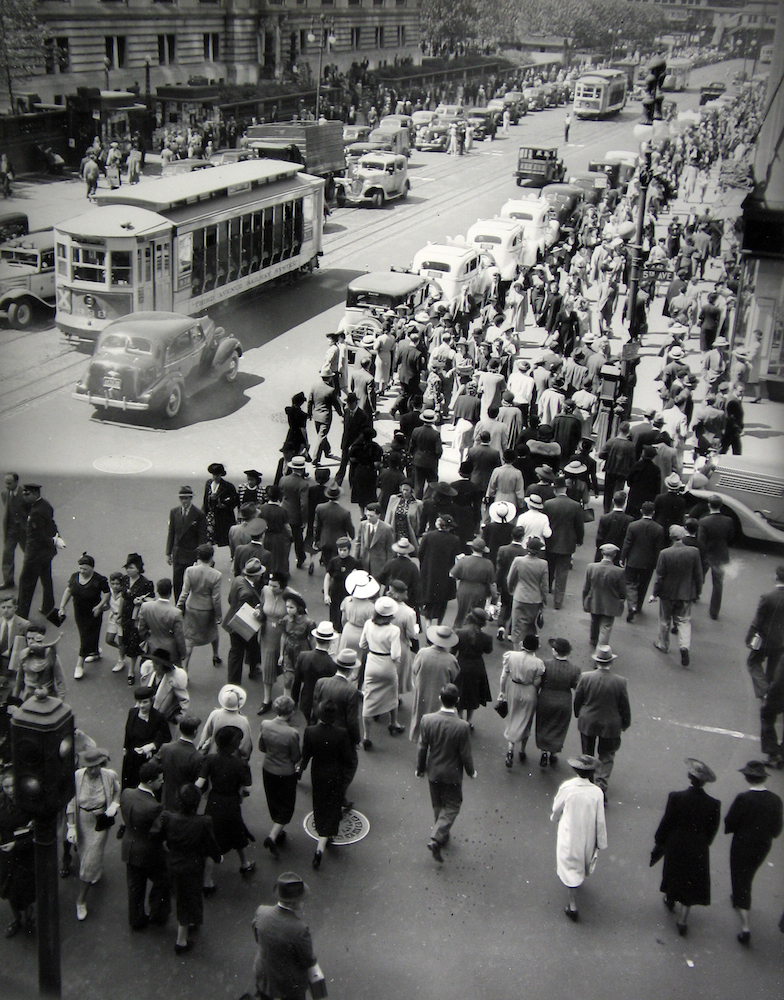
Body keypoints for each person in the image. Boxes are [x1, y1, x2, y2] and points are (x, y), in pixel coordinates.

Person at [651, 757, 720, 938]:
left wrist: (659, 840)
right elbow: (712, 830)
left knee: (674, 872)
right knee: (691, 879)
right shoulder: (713, 804)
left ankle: (670, 897)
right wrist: (704, 842)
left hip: (676, 842)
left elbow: (667, 822)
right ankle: (683, 919)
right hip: (698, 845)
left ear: (690, 777)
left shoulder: (676, 797)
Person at [150, 783, 222, 953]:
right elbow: (211, 845)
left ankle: (185, 921)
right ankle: (181, 941)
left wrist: (166, 844)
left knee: (181, 895)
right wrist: (218, 857)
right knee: (188, 898)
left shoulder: (169, 818)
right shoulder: (203, 822)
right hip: (193, 866)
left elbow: (155, 835)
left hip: (173, 862)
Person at [724, 760, 783, 945]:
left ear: (747, 778)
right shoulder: (775, 800)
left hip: (743, 844)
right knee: (748, 874)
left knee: (741, 879)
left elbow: (730, 822)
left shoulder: (743, 798)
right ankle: (739, 897)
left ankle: (745, 927)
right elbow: (776, 830)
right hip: (763, 845)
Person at [416, 683, 476, 864]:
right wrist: (471, 772)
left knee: (438, 803)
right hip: (452, 773)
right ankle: (437, 837)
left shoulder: (427, 720)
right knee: (453, 805)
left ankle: (442, 833)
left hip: (433, 769)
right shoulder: (462, 726)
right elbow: (465, 754)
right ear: (457, 701)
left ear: (440, 699)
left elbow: (422, 747)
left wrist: (420, 768)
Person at [550, 754, 607, 922]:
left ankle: (573, 905)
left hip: (569, 830)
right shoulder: (596, 793)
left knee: (569, 862)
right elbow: (600, 819)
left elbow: (556, 807)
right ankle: (576, 886)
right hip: (587, 832)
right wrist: (601, 840)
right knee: (581, 859)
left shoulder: (567, 787)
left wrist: (555, 817)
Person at [66, 746, 121, 921]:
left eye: (96, 766)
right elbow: (71, 802)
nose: (93, 770)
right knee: (85, 853)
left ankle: (81, 900)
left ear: (101, 764)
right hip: (82, 820)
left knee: (91, 857)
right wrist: (71, 826)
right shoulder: (77, 777)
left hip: (99, 822)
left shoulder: (109, 775)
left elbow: (117, 791)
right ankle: (93, 870)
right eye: (89, 767)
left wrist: (114, 805)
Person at [252, 872, 325, 1000]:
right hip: (287, 986)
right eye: (300, 898)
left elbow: (257, 934)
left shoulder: (262, 911)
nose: (303, 901)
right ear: (291, 903)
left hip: (265, 977)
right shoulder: (299, 928)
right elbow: (307, 960)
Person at [300, 700, 355, 869]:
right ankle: (321, 846)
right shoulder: (342, 733)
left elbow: (306, 755)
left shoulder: (310, 731)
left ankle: (322, 837)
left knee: (320, 805)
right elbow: (348, 759)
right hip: (335, 774)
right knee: (333, 806)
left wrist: (300, 770)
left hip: (318, 773)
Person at [573, 645, 631, 799]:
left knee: (587, 753)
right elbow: (624, 706)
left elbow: (578, 698)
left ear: (596, 662)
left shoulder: (585, 677)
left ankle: (588, 783)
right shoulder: (620, 682)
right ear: (610, 662)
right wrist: (625, 723)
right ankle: (601, 787)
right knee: (606, 756)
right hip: (610, 725)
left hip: (588, 721)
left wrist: (579, 713)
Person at [198, 726, 254, 884]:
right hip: (231, 802)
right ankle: (244, 864)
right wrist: (242, 793)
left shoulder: (210, 760)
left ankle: (207, 880)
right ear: (235, 745)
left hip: (214, 801)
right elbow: (247, 788)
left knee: (211, 838)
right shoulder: (241, 765)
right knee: (237, 831)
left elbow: (199, 782)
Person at [119, 761, 170, 931]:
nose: (162, 782)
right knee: (163, 880)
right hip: (148, 852)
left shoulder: (126, 793)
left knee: (135, 887)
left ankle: (136, 919)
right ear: (150, 782)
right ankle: (157, 913)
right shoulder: (155, 807)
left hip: (129, 847)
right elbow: (158, 832)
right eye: (160, 780)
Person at [313, 649, 361, 809]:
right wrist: (356, 739)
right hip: (341, 735)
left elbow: (315, 706)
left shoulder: (321, 682)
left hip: (322, 728)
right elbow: (353, 720)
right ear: (351, 669)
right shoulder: (351, 691)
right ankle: (339, 795)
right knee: (350, 764)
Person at [651, 525, 703, 667]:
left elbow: (660, 577)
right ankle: (684, 646)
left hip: (667, 593)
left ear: (671, 537)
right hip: (686, 593)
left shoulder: (664, 553)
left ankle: (663, 645)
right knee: (684, 621)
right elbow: (698, 575)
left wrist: (654, 593)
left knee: (664, 620)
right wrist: (697, 592)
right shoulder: (694, 552)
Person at [259, 695, 301, 857]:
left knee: (273, 800)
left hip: (268, 769)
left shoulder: (265, 724)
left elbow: (262, 747)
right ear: (290, 712)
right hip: (285, 773)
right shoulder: (292, 733)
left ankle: (277, 829)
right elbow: (296, 757)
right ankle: (273, 835)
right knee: (287, 805)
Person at [359, 596, 403, 747]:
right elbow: (396, 654)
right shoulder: (394, 630)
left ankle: (366, 735)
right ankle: (394, 722)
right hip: (387, 664)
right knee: (392, 693)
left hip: (372, 663)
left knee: (369, 695)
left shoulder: (368, 624)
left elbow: (362, 643)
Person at [499, 633, 545, 767]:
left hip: (513, 688)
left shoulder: (511, 656)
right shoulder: (538, 663)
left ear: (522, 644)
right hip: (529, 690)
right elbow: (538, 682)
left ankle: (510, 748)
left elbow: (503, 676)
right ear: (536, 648)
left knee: (512, 717)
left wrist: (502, 692)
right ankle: (522, 750)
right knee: (526, 720)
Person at [535, 637, 582, 768]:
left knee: (543, 724)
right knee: (559, 727)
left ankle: (543, 752)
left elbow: (539, 682)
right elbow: (577, 687)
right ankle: (553, 753)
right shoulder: (575, 669)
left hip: (545, 698)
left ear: (555, 651)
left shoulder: (546, 664)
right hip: (564, 702)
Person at [16, 483, 59, 622]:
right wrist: (55, 542)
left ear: (35, 493)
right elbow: (51, 526)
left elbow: (38, 536)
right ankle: (48, 606)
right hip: (46, 553)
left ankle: (21, 614)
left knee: (26, 583)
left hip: (35, 555)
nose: (24, 496)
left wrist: (30, 555)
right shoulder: (45, 505)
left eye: (27, 494)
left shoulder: (36, 512)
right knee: (46, 579)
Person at [409, 625, 459, 742]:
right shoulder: (451, 660)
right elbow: (454, 676)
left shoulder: (422, 653)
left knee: (420, 712)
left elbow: (415, 670)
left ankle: (418, 737)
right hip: (439, 691)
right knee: (436, 716)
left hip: (422, 688)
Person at [177, 543, 222, 671]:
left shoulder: (190, 570)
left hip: (192, 606)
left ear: (198, 556)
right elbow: (216, 598)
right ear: (211, 557)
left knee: (190, 638)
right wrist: (219, 615)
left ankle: (185, 668)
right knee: (213, 632)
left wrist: (178, 606)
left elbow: (184, 592)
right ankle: (215, 654)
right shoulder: (216, 574)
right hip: (207, 609)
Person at [0, 772, 35, 938]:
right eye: (6, 786)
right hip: (6, 854)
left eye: (12, 785)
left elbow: (36, 832)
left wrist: (18, 844)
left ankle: (29, 918)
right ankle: (16, 919)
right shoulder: (1, 803)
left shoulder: (29, 803)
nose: (10, 790)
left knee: (26, 890)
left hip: (24, 854)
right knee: (9, 889)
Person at [543, 479, 584, 609]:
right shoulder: (575, 505)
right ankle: (558, 600)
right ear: (565, 489)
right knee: (562, 572)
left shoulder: (548, 504)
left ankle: (548, 587)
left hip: (551, 541)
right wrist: (579, 540)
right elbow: (579, 526)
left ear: (555, 490)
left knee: (549, 567)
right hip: (567, 543)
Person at [223, 557, 264, 686]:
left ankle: (246, 672)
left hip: (232, 621)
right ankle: (235, 681)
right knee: (238, 651)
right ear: (256, 576)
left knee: (248, 648)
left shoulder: (238, 580)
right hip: (241, 626)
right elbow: (242, 613)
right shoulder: (247, 593)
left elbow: (230, 599)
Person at [120, 686, 171, 791]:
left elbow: (166, 737)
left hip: (148, 761)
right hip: (131, 758)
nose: (141, 706)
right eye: (139, 702)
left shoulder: (158, 717)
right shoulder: (132, 713)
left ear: (151, 701)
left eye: (145, 702)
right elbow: (127, 731)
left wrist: (152, 745)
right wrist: (125, 748)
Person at [745, 566, 784, 699]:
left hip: (765, 640)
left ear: (776, 577)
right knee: (772, 669)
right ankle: (769, 695)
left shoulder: (768, 597)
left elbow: (758, 621)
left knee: (753, 662)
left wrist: (749, 637)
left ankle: (765, 691)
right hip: (781, 642)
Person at [418, 515, 462, 628]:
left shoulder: (428, 536)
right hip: (445, 575)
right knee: (442, 602)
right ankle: (439, 625)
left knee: (428, 601)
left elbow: (420, 553)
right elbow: (455, 556)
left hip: (429, 573)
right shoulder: (455, 539)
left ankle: (428, 626)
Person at [165, 486, 208, 601]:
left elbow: (202, 536)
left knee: (190, 582)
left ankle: (188, 605)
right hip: (178, 553)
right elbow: (171, 533)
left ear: (191, 499)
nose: (184, 501)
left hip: (191, 554)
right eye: (182, 498)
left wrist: (201, 556)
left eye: (186, 498)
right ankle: (179, 605)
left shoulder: (199, 514)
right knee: (177, 581)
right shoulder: (174, 512)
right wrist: (168, 553)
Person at [256, 571, 290, 715]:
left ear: (282, 587)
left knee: (287, 667)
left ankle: (286, 701)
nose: (271, 588)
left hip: (284, 634)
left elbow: (300, 614)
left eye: (274, 586)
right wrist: (258, 612)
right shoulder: (265, 591)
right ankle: (267, 699)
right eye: (270, 585)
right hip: (268, 633)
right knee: (268, 665)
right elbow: (261, 606)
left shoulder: (291, 596)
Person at [696, 495, 735, 620]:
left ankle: (696, 594)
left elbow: (700, 541)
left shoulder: (704, 521)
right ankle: (714, 611)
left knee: (699, 575)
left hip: (707, 553)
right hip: (721, 554)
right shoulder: (728, 520)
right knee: (718, 583)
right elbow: (731, 537)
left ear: (709, 505)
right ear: (721, 506)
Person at [120, 553, 155, 687]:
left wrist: (141, 600)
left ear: (139, 568)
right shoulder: (125, 580)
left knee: (137, 642)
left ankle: (132, 671)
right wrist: (119, 614)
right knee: (128, 641)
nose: (129, 570)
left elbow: (152, 599)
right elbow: (123, 597)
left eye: (132, 568)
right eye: (127, 568)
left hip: (139, 617)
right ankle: (135, 667)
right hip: (126, 615)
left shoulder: (145, 583)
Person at [454, 608, 492, 729]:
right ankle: (468, 720)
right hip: (477, 666)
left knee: (460, 691)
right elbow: (488, 651)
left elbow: (453, 650)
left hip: (461, 665)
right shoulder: (486, 638)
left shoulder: (459, 633)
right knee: (473, 694)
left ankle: (459, 717)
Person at [582, 543, 626, 648]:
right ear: (614, 555)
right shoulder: (619, 572)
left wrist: (585, 601)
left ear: (602, 553)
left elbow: (586, 588)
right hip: (610, 604)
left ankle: (593, 639)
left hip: (595, 601)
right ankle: (602, 648)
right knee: (606, 626)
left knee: (594, 621)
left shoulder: (591, 567)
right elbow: (623, 591)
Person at [137, 577, 187, 669]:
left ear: (157, 591)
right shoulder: (176, 613)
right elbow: (179, 637)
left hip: (152, 646)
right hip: (170, 650)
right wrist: (183, 653)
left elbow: (141, 629)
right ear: (170, 592)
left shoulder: (145, 607)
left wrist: (148, 637)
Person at [507, 535, 548, 645]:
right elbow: (544, 586)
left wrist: (511, 590)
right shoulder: (543, 564)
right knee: (530, 626)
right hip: (535, 599)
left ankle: (517, 651)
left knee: (516, 626)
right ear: (539, 551)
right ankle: (529, 648)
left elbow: (510, 578)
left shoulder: (518, 561)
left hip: (520, 596)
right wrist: (544, 600)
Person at [156, 715, 203, 812]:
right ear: (195, 732)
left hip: (166, 798)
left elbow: (154, 765)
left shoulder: (166, 748)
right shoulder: (197, 757)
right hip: (185, 803)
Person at [292, 621, 337, 722]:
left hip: (306, 699)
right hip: (323, 702)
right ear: (330, 642)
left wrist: (294, 700)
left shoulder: (303, 656)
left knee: (309, 721)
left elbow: (297, 681)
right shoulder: (331, 664)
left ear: (316, 639)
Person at [10, 622, 66, 701]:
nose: (30, 642)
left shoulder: (51, 656)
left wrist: (60, 700)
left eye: (33, 638)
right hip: (28, 697)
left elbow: (60, 681)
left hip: (48, 696)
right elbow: (19, 678)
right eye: (28, 638)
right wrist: (15, 699)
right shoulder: (23, 655)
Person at [450, 537, 497, 629]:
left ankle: (458, 630)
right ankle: (472, 632)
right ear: (483, 550)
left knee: (462, 613)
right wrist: (494, 597)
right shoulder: (488, 563)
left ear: (472, 548)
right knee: (475, 615)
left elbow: (452, 574)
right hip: (480, 591)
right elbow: (492, 582)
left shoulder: (464, 560)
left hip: (464, 589)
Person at [279, 590, 316, 694]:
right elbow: (284, 635)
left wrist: (314, 654)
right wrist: (281, 654)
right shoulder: (286, 620)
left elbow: (312, 639)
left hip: (302, 651)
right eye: (287, 607)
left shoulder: (308, 622)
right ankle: (286, 702)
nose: (288, 610)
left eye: (291, 607)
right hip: (289, 650)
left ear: (299, 608)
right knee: (288, 679)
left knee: (302, 677)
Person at [141, 647, 190, 725]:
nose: (154, 666)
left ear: (164, 666)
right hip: (147, 717)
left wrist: (177, 718)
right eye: (153, 662)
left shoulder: (173, 680)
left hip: (164, 722)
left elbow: (184, 700)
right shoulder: (150, 673)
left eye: (157, 664)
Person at [338, 569, 378, 658]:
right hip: (361, 634)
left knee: (343, 657)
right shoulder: (371, 607)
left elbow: (343, 619)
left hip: (348, 631)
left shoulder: (347, 600)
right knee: (358, 659)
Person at [352, 502, 394, 578]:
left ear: (378, 515)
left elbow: (390, 550)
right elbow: (358, 543)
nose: (368, 518)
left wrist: (388, 567)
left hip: (379, 565)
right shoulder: (363, 525)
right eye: (367, 515)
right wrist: (354, 560)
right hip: (364, 563)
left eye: (371, 516)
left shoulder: (387, 529)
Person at [202, 463, 238, 547]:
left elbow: (235, 501)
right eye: (213, 475)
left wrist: (225, 505)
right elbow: (205, 500)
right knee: (209, 538)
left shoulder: (228, 486)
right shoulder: (208, 484)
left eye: (217, 475)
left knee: (224, 539)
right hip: (211, 515)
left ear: (221, 475)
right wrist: (203, 514)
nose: (215, 477)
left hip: (223, 517)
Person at [410, 409, 443, 498]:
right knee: (432, 483)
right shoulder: (436, 434)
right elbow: (438, 451)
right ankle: (427, 499)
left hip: (418, 460)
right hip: (430, 462)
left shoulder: (416, 430)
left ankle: (418, 501)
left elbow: (411, 447)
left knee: (418, 484)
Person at [2, 472, 26, 589]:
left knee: (29, 555)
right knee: (7, 554)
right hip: (11, 531)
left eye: (9, 483)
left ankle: (30, 579)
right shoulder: (5, 494)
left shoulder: (25, 494)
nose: (7, 485)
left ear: (16, 482)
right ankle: (8, 580)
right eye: (5, 482)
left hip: (24, 531)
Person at [0, 591, 28, 678]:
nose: (6, 610)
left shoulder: (24, 625)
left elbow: (28, 645)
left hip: (13, 661)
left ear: (15, 608)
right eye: (3, 607)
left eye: (9, 607)